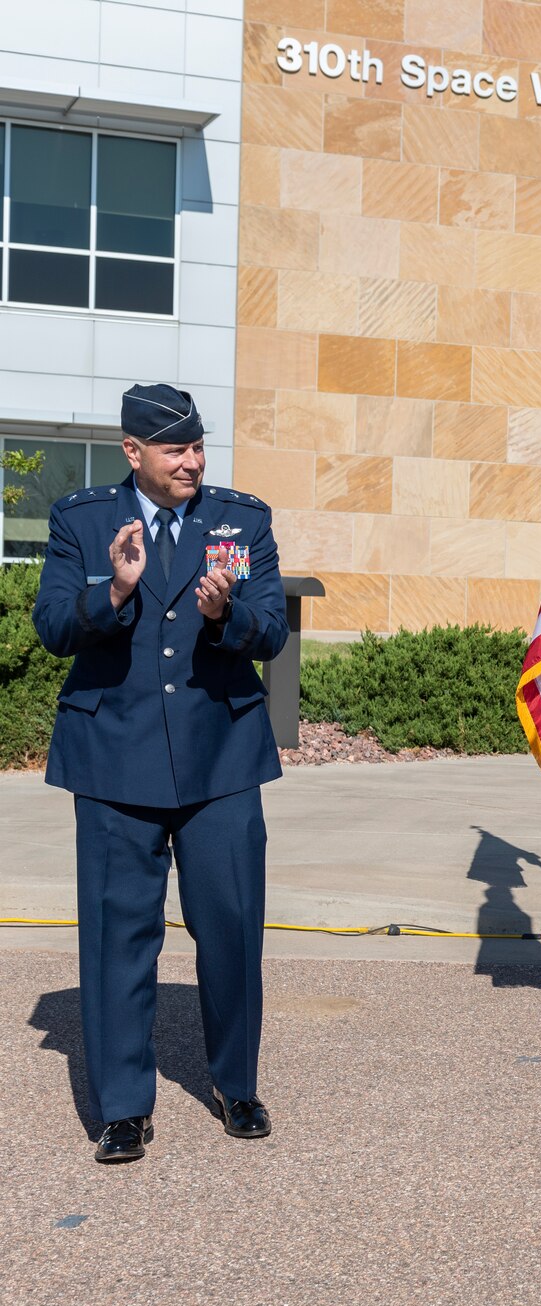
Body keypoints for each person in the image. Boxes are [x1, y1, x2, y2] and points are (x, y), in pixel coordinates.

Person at [32, 384, 290, 1164]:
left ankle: (235, 1083)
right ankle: (122, 1107)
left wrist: (228, 617)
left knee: (233, 928)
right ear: (133, 453)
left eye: (199, 445)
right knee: (118, 938)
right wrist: (111, 590)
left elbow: (272, 629)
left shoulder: (243, 519)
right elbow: (51, 626)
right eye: (176, 449)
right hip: (114, 758)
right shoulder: (81, 520)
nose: (194, 461)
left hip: (221, 759)